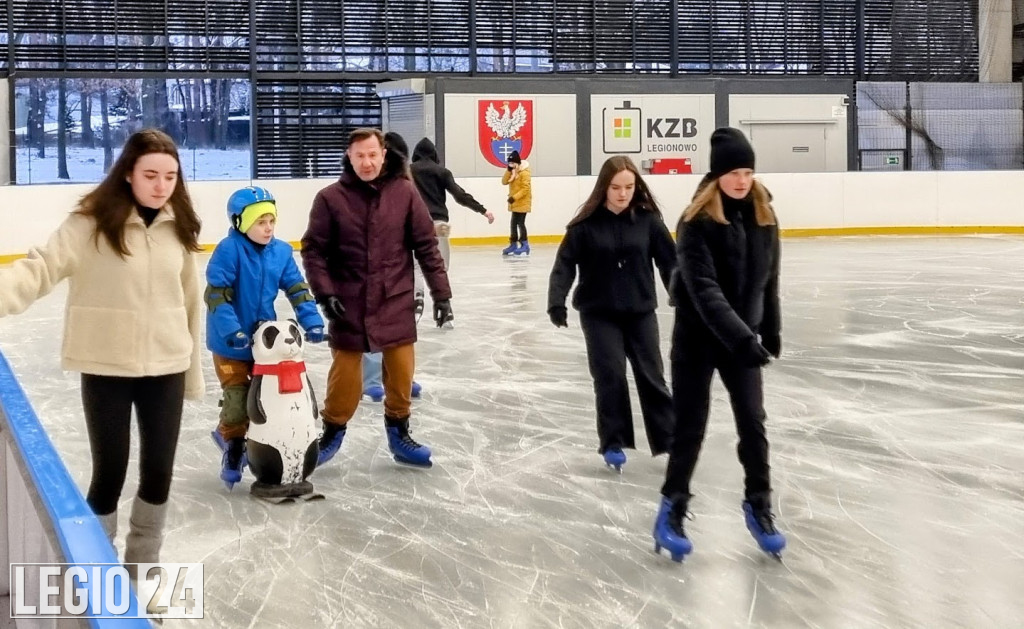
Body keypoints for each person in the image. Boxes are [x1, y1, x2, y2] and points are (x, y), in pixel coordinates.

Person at [0, 128, 204, 575]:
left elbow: (189, 302)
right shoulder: (90, 225)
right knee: (109, 473)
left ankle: (142, 573)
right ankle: (98, 575)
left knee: (158, 474)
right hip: (106, 365)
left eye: (170, 176)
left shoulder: (178, 227)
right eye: (150, 174)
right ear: (128, 173)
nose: (161, 185)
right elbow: (39, 269)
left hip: (166, 367)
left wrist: (192, 373)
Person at [653, 127, 785, 562]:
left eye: (748, 171)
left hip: (742, 339)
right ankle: (671, 510)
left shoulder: (765, 216)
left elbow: (770, 281)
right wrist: (745, 338)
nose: (742, 180)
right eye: (733, 172)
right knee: (690, 427)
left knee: (754, 424)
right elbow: (704, 290)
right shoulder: (696, 222)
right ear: (716, 176)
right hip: (697, 341)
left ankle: (759, 505)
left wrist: (772, 330)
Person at [301, 127, 452, 469]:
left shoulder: (405, 193)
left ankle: (400, 434)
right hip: (349, 300)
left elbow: (426, 246)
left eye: (372, 154)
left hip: (394, 298)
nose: (367, 162)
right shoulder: (330, 199)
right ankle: (332, 432)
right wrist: (324, 292)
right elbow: (313, 251)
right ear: (349, 157)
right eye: (359, 156)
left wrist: (442, 295)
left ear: (384, 154)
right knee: (345, 376)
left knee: (400, 372)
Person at [547, 156, 676, 473]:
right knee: (610, 377)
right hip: (598, 313)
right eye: (616, 187)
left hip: (641, 312)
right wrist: (556, 301)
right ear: (604, 187)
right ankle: (613, 442)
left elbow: (670, 263)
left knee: (652, 376)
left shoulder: (649, 222)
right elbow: (564, 265)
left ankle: (671, 439)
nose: (623, 193)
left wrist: (680, 293)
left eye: (629, 187)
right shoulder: (584, 227)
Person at [205, 185, 325, 489]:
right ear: (240, 223)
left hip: (263, 344)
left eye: (271, 220)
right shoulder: (228, 251)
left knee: (266, 401)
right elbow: (217, 297)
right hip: (229, 342)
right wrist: (232, 331)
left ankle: (255, 443)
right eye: (260, 222)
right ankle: (232, 446)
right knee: (236, 399)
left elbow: (297, 288)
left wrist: (311, 320)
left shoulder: (281, 252)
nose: (268, 228)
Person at [411, 136, 495, 327]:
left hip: (415, 223)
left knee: (415, 265)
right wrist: (483, 210)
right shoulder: (442, 171)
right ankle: (445, 311)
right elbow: (460, 195)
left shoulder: (408, 171)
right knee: (440, 266)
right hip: (439, 223)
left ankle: (418, 299)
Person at [501, 150, 532, 256]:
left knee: (520, 223)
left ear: (518, 163)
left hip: (522, 202)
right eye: (509, 164)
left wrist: (514, 197)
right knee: (513, 224)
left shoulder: (524, 173)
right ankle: (513, 244)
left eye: (513, 163)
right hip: (514, 203)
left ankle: (525, 244)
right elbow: (504, 182)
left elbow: (525, 189)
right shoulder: (513, 172)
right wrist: (508, 171)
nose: (511, 165)